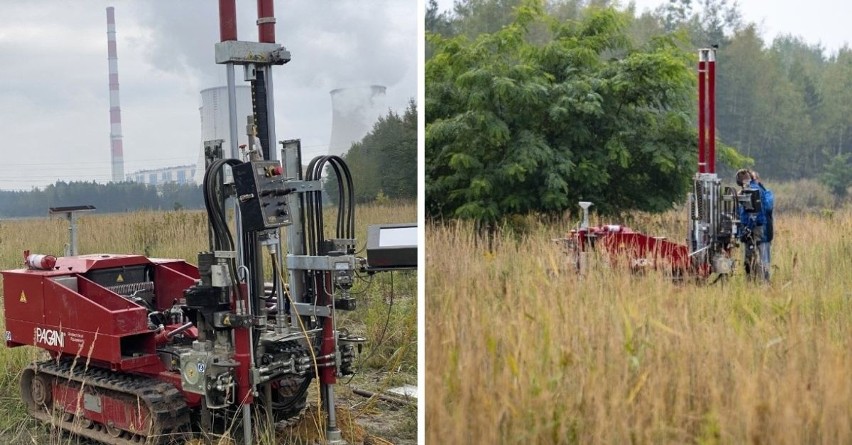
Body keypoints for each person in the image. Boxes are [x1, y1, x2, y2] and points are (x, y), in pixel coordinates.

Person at [736, 169, 774, 281]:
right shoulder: (755, 189)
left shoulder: (752, 190)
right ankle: (759, 281)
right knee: (760, 257)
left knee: (756, 258)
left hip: (755, 229)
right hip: (759, 229)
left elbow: (754, 213)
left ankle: (759, 283)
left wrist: (748, 228)